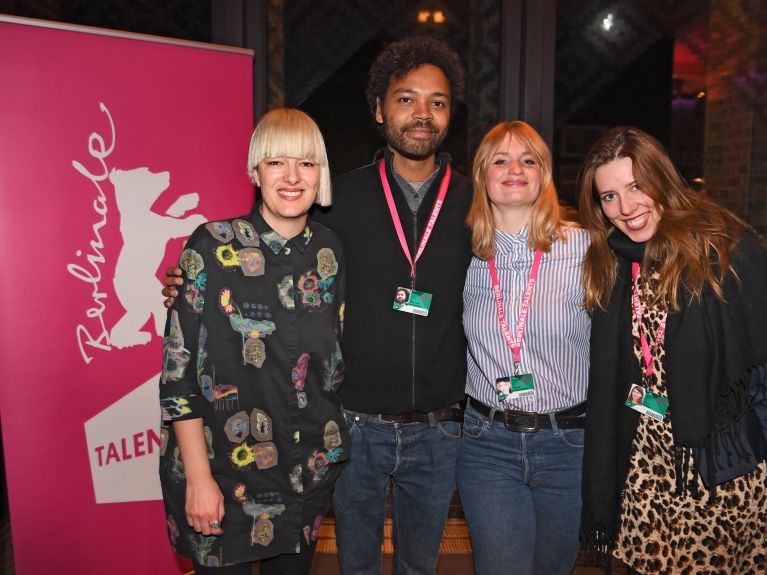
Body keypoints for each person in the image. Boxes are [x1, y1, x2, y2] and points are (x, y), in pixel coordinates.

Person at [165, 36, 472, 575]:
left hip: (345, 453)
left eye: (438, 101)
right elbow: (183, 368)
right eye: (406, 98)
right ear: (380, 109)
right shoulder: (328, 211)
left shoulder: (471, 205)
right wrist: (185, 287)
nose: (292, 176)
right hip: (300, 441)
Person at [159, 108, 348, 575]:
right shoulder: (211, 244)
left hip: (306, 475)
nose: (291, 177)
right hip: (223, 475)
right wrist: (199, 479)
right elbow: (178, 374)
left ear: (320, 173)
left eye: (305, 163)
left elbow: (331, 360)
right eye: (275, 162)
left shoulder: (330, 250)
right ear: (255, 171)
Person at [579, 126, 767, 574]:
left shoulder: (724, 248)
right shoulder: (613, 261)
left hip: (716, 465)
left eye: (636, 186)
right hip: (645, 464)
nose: (626, 208)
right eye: (609, 197)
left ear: (661, 178)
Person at [456, 121, 591, 575]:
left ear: (544, 175)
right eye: (500, 160)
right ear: (482, 175)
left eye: (528, 160)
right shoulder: (463, 255)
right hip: (487, 444)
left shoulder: (587, 249)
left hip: (568, 444)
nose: (515, 169)